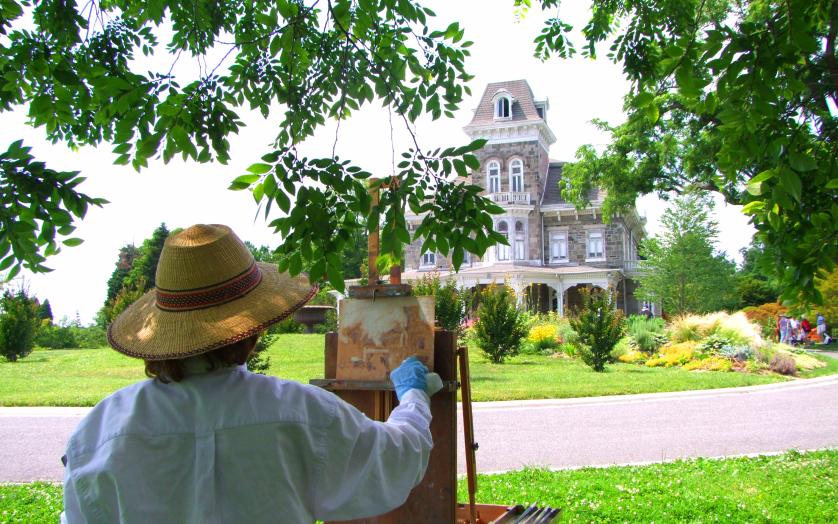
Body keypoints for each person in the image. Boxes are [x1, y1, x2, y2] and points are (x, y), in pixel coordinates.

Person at [62, 224, 442, 523]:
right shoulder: (299, 413)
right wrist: (413, 396)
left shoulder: (100, 431)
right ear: (252, 330)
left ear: (164, 332)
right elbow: (397, 458)